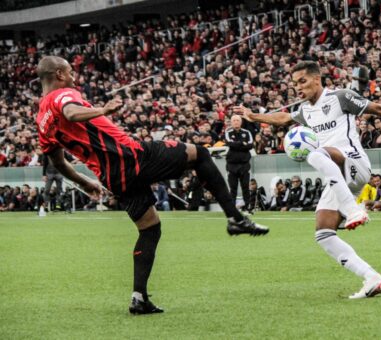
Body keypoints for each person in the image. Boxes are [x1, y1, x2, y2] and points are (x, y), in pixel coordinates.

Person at [35, 56, 268, 315]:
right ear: (59, 74)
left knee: (150, 228)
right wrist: (103, 110)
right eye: (70, 72)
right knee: (199, 154)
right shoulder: (63, 95)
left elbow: (58, 162)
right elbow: (71, 111)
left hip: (112, 177)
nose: (74, 77)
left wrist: (86, 181)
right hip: (131, 156)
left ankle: (139, 297)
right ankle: (235, 218)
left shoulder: (42, 120)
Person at [233, 60, 381, 299]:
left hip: (354, 163)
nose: (298, 88)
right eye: (294, 84)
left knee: (316, 153)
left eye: (302, 81)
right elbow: (283, 118)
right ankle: (372, 278)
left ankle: (354, 209)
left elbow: (379, 109)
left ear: (317, 79)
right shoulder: (305, 110)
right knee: (323, 233)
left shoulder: (340, 97)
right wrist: (254, 116)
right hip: (336, 175)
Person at [224, 115, 254, 211]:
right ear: (231, 122)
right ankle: (232, 208)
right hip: (232, 165)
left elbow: (250, 145)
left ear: (241, 122)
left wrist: (237, 144)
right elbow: (229, 143)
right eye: (234, 120)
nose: (236, 122)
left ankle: (247, 206)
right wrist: (242, 143)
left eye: (238, 120)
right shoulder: (228, 132)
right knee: (233, 188)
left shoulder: (247, 132)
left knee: (245, 186)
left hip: (244, 164)